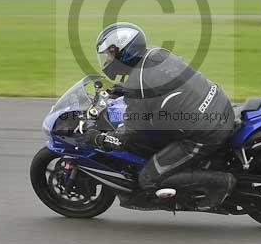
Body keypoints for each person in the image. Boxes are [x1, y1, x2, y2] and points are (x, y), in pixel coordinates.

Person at [83, 22, 236, 210]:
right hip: (221, 106)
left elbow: (126, 138)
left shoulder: (137, 84)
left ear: (124, 52)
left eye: (110, 54)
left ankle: (222, 182)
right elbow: (163, 84)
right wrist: (124, 90)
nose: (107, 60)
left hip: (205, 133)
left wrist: (98, 138)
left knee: (148, 179)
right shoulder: (157, 54)